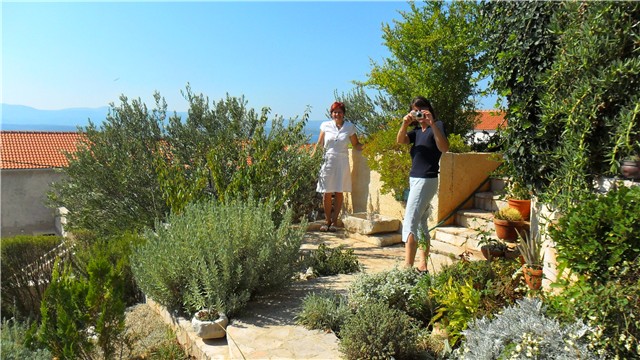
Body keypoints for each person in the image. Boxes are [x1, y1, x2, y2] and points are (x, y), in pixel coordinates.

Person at [396, 96, 449, 273]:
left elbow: (444, 148)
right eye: (415, 110)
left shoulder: (437, 126)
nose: (420, 112)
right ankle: (422, 265)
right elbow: (400, 140)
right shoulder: (417, 132)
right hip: (416, 179)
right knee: (421, 223)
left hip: (426, 179)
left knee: (410, 221)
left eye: (422, 108)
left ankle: (407, 268)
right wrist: (404, 124)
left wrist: (432, 123)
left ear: (429, 109)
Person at [312, 101, 364, 232]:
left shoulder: (349, 127)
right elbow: (319, 144)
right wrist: (311, 157)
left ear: (344, 114)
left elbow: (356, 144)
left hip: (342, 161)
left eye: (340, 112)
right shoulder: (325, 125)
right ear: (331, 114)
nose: (337, 114)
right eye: (335, 112)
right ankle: (327, 220)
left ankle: (335, 221)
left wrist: (370, 147)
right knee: (326, 192)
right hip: (327, 160)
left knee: (339, 191)